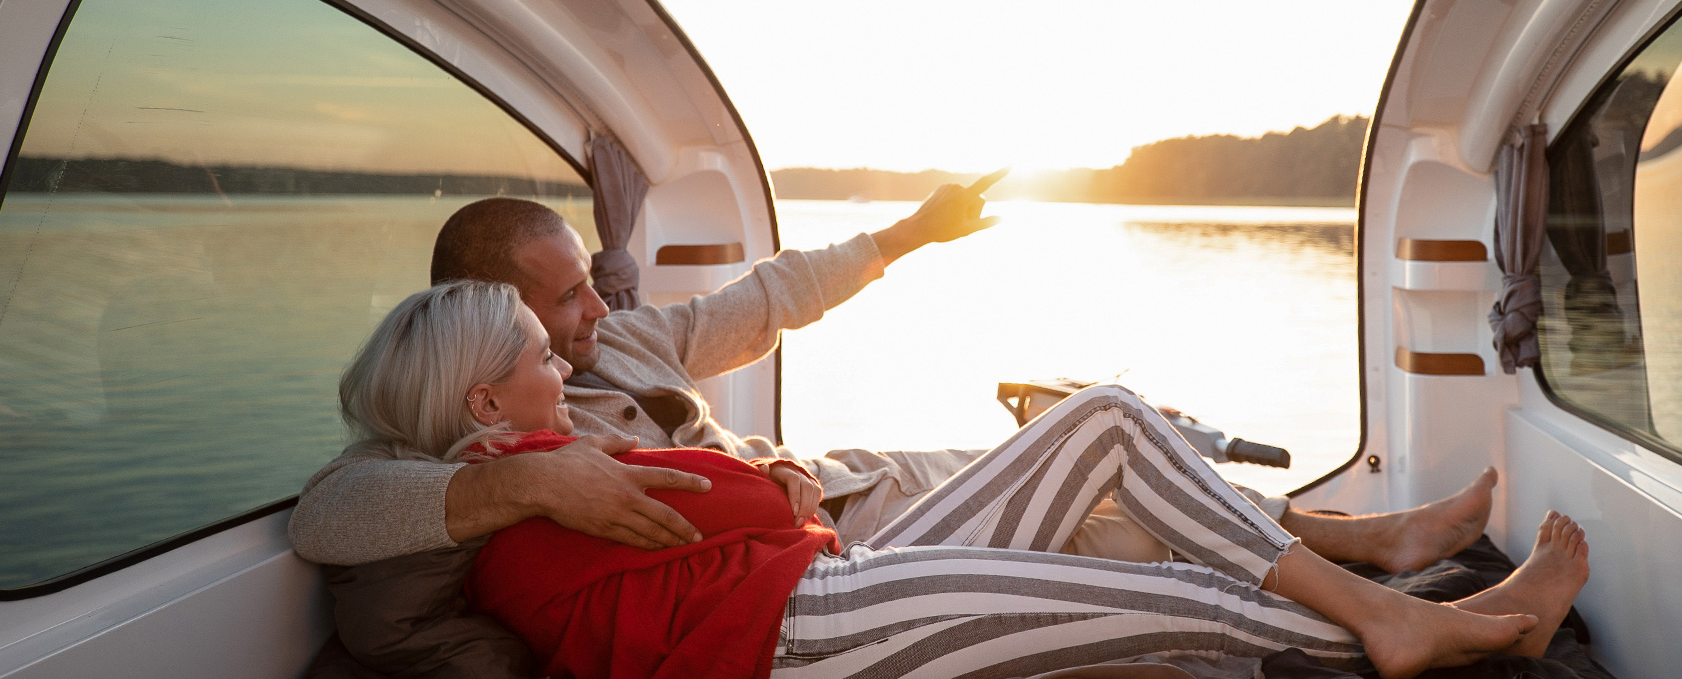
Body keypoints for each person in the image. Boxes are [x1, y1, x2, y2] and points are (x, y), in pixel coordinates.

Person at [333, 281, 1591, 679]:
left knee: (1102, 414)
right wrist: (764, 477)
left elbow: (771, 504)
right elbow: (767, 503)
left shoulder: (554, 456)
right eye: (533, 349)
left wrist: (766, 481)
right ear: (481, 403)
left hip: (831, 575)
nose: (566, 347)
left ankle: (1375, 570)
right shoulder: (530, 487)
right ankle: (1411, 625)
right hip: (796, 637)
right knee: (1179, 614)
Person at [289, 180, 1507, 579]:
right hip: (827, 544)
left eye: (584, 285)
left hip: (842, 478)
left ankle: (1353, 535)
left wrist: (912, 233)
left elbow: (766, 297)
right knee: (1101, 495)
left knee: (1108, 442)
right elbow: (330, 510)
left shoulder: (623, 344)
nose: (593, 307)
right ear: (485, 349)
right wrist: (532, 491)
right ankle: (1370, 561)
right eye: (562, 299)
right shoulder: (472, 433)